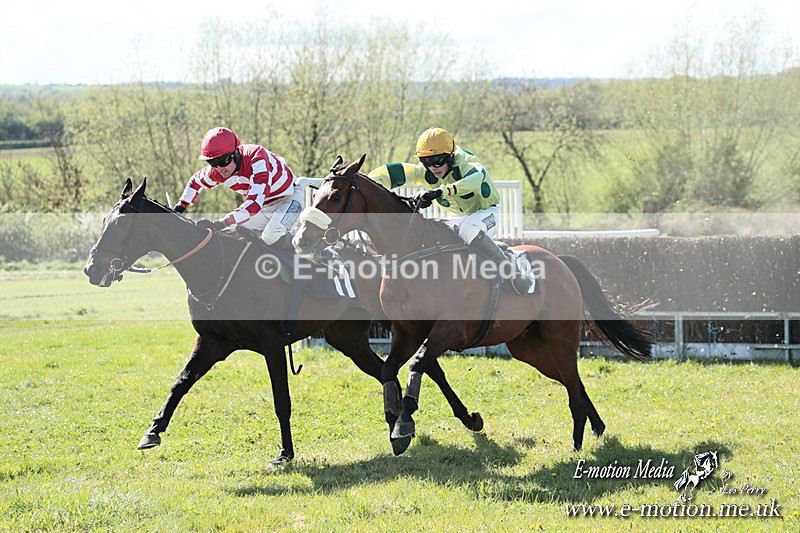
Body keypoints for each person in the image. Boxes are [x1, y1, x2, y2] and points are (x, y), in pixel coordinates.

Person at [367, 127, 534, 294]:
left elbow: (477, 178)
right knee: (434, 235)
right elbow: (388, 173)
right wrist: (365, 186)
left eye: (438, 160)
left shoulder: (466, 162)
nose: (433, 167)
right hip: (457, 218)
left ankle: (511, 269)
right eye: (426, 161)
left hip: (486, 213)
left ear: (450, 155)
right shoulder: (425, 172)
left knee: (469, 230)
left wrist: (441, 191)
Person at [174, 127, 302, 248]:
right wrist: (180, 207)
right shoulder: (218, 171)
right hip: (264, 207)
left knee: (270, 237)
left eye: (222, 161)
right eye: (212, 163)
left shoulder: (257, 158)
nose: (219, 169)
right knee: (230, 233)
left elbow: (253, 205)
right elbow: (195, 182)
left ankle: (304, 251)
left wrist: (218, 223)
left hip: (290, 198)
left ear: (234, 153)